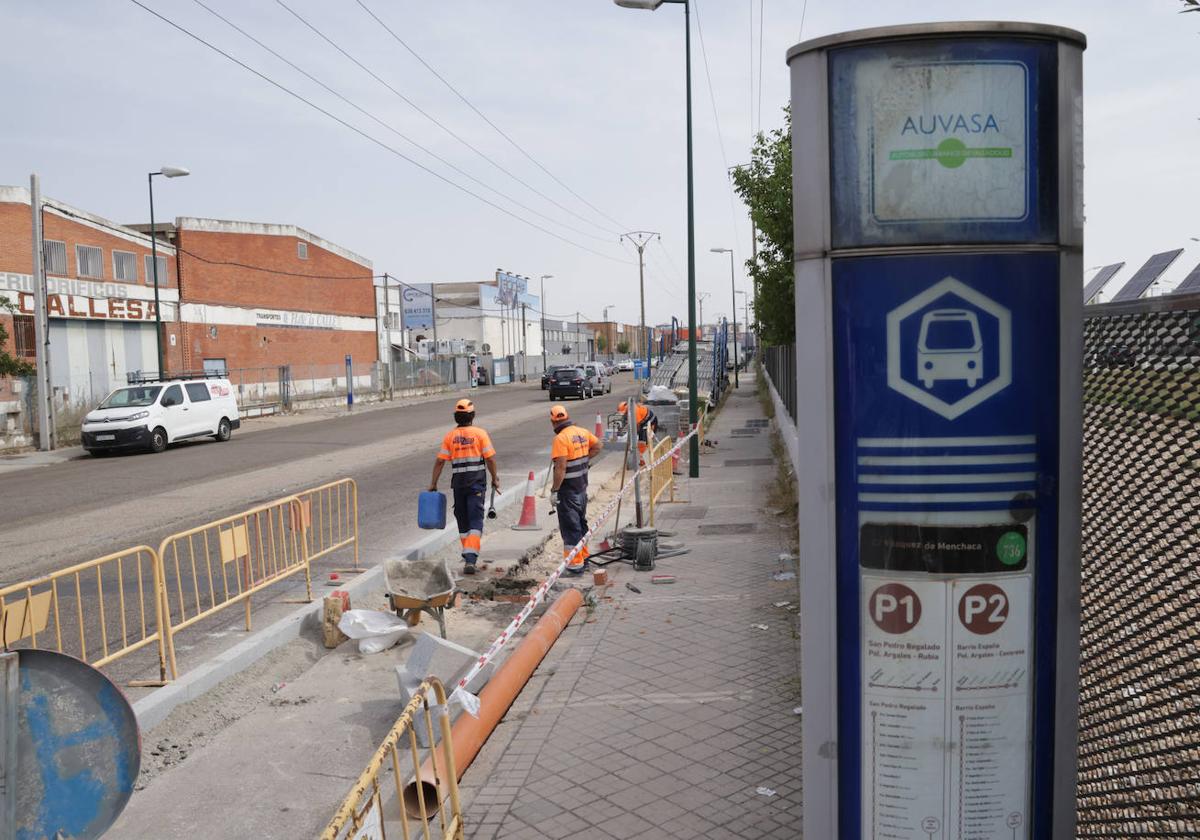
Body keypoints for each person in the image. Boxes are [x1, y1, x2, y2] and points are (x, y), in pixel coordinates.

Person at [429, 398, 499, 575]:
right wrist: (495, 478)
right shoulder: (480, 434)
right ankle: (470, 558)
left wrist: (433, 484)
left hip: (458, 485)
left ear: (456, 417)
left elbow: (440, 461)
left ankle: (469, 555)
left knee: (462, 519)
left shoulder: (450, 436)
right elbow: (490, 458)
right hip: (476, 484)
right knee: (475, 520)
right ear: (472, 416)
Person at [549, 404, 603, 576]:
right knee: (581, 524)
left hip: (568, 492)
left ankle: (574, 566)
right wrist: (584, 460)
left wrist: (554, 490)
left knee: (570, 527)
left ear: (553, 421)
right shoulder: (581, 432)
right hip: (581, 488)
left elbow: (560, 468)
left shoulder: (561, 439)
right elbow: (599, 445)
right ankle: (583, 558)